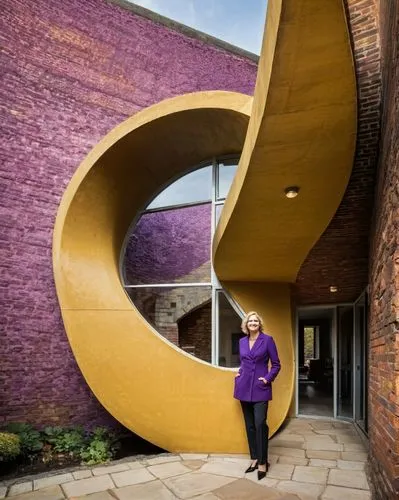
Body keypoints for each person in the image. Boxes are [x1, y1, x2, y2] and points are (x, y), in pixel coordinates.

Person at [233, 311, 281, 480]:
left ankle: (263, 462)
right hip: (244, 387)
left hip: (261, 388)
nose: (253, 323)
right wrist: (239, 373)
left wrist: (268, 379)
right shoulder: (241, 342)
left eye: (255, 321)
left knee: (260, 424)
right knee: (250, 426)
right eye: (250, 321)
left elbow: (276, 365)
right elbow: (244, 363)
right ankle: (254, 459)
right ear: (246, 324)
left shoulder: (267, 340)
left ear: (259, 324)